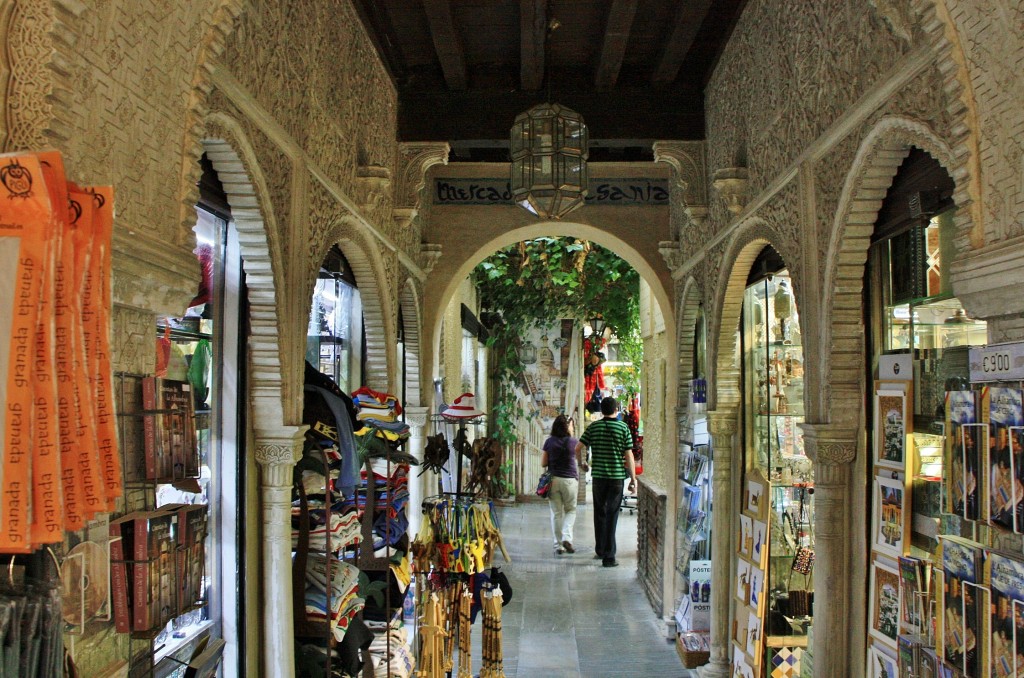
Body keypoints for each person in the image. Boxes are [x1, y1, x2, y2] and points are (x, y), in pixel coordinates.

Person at [576, 397, 637, 567]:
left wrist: (582, 463)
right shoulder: (623, 428)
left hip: (599, 478)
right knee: (612, 515)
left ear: (601, 411)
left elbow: (577, 448)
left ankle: (600, 549)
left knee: (599, 513)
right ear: (616, 409)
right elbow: (629, 455)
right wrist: (633, 479)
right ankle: (609, 557)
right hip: (616, 478)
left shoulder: (594, 427)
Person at [541, 414, 584, 555]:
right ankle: (567, 537)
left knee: (556, 514)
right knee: (571, 510)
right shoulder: (574, 442)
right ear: (566, 427)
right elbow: (579, 461)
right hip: (570, 481)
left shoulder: (549, 442)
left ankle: (558, 546)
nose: (573, 428)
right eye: (571, 425)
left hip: (553, 480)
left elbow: (543, 463)